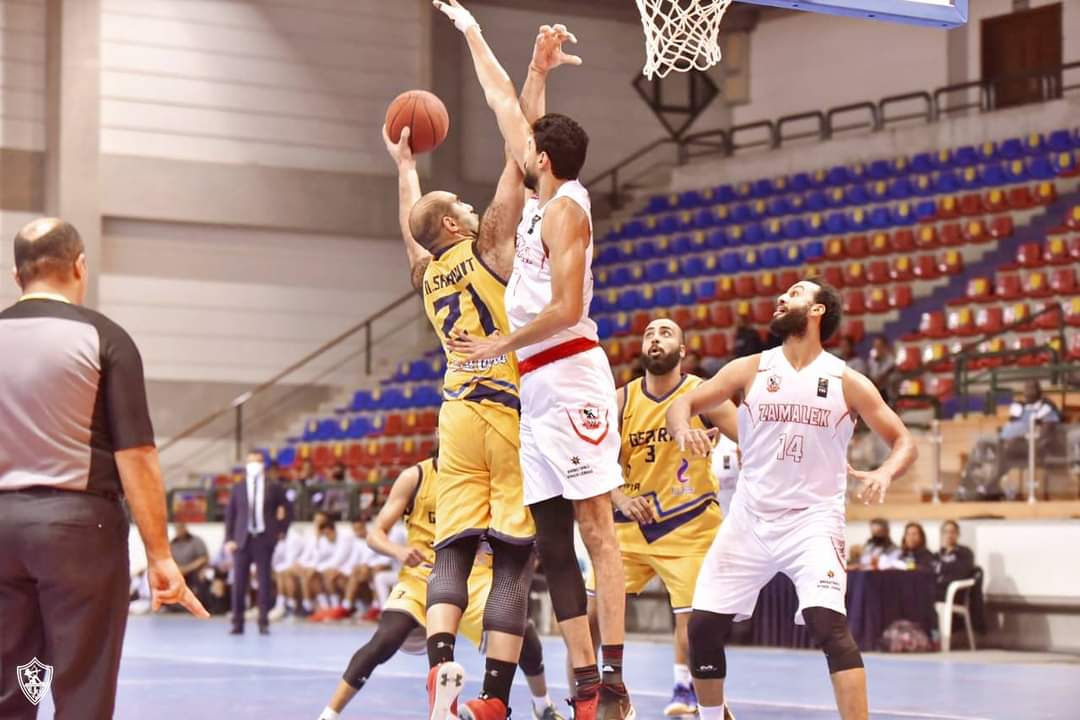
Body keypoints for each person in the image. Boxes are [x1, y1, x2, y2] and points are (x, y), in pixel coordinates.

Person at [440, 4, 634, 718]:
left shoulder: (567, 212)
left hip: (572, 372)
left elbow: (566, 306)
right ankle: (585, 690)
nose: (518, 146)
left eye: (529, 147)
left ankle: (613, 676)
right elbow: (506, 105)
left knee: (596, 529)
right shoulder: (537, 200)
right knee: (553, 544)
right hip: (539, 385)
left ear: (542, 162)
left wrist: (501, 343)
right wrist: (484, 39)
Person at [384, 22, 579, 720]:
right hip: (504, 409)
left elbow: (412, 230)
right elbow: (517, 147)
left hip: (455, 416)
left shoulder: (427, 273)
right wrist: (537, 73)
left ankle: (442, 669)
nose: (470, 208)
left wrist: (405, 168)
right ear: (457, 226)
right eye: (460, 208)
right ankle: (495, 697)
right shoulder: (490, 243)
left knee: (453, 549)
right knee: (513, 558)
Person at [666, 279, 917, 720]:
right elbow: (681, 404)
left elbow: (905, 442)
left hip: (812, 521)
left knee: (829, 627)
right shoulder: (750, 368)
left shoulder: (846, 380)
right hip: (750, 517)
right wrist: (683, 428)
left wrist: (884, 471)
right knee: (702, 628)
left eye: (796, 293)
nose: (782, 298)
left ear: (817, 311)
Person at [0, 218, 208, 720]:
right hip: (78, 534)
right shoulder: (104, 338)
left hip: (3, 532)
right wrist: (160, 555)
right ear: (80, 266)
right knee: (82, 685)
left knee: (13, 683)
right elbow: (136, 455)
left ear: (16, 275)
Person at [317, 454, 565, 720]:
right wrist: (398, 551)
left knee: (522, 632)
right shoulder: (415, 477)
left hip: (473, 577)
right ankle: (329, 714)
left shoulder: (483, 475)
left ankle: (542, 707)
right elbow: (375, 534)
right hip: (420, 576)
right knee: (385, 638)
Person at [584, 318, 737, 718]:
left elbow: (753, 439)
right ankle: (596, 698)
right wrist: (619, 498)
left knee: (694, 622)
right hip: (629, 526)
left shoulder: (704, 394)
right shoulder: (621, 400)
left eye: (666, 333)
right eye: (649, 334)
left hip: (689, 523)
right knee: (589, 618)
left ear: (682, 351)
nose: (655, 338)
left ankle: (692, 692)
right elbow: (593, 462)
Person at [225, 450, 292, 635]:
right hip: (242, 540)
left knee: (264, 582)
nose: (254, 464)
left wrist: (281, 530)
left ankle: (263, 621)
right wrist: (229, 539)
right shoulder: (238, 488)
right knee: (239, 583)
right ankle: (237, 622)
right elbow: (231, 515)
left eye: (258, 461)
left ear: (264, 465)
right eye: (251, 461)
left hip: (264, 538)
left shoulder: (274, 487)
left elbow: (288, 509)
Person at [960, 380, 1062, 500]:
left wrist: (1027, 441)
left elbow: (1046, 435)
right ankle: (968, 483)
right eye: (1026, 388)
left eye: (1031, 388)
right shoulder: (1021, 407)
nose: (1028, 392)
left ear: (1039, 391)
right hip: (1004, 441)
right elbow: (1011, 424)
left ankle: (989, 487)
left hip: (1026, 445)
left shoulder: (1046, 408)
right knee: (982, 441)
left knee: (1004, 450)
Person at [170, 522, 211, 608]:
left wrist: (187, 568)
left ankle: (200, 604)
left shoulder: (196, 541)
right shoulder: (172, 544)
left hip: (194, 571)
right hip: (178, 572)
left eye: (181, 528)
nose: (179, 530)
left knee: (201, 577)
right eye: (177, 528)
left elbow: (204, 558)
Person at [934, 520, 975, 601]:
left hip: (952, 593)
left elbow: (961, 573)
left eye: (952, 532)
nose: (949, 535)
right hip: (935, 590)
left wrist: (941, 571)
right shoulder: (936, 555)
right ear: (942, 535)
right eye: (946, 532)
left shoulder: (965, 553)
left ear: (958, 534)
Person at [867, 336, 896, 403]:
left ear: (885, 347)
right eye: (875, 346)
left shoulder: (891, 360)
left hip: (888, 393)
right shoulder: (872, 360)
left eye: (879, 346)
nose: (877, 349)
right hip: (875, 392)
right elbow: (872, 375)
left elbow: (883, 378)